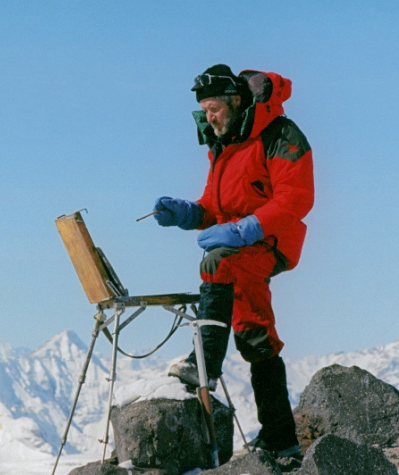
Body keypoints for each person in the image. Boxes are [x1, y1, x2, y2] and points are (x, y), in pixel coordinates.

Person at [152, 64, 314, 460]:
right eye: (204, 110)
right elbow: (216, 206)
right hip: (241, 248)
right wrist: (188, 213)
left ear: (236, 101)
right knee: (254, 332)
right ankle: (281, 439)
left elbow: (296, 197)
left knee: (216, 262)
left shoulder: (279, 134)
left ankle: (204, 364)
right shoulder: (224, 144)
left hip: (270, 240)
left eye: (214, 109)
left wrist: (247, 229)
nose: (209, 117)